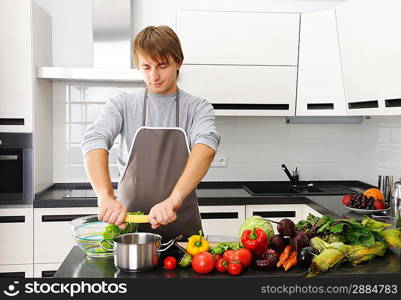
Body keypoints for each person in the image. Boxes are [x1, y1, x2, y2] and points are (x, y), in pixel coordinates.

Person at [80, 25, 221, 241]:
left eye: (162, 66)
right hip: (129, 232)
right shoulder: (122, 104)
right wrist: (105, 196)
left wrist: (174, 200)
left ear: (178, 62)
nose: (153, 75)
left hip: (182, 231)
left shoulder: (198, 108)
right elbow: (94, 140)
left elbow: (206, 148)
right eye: (146, 67)